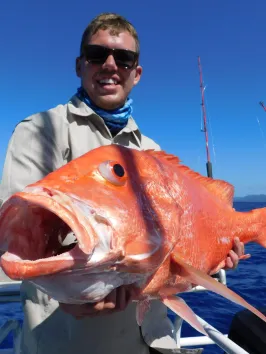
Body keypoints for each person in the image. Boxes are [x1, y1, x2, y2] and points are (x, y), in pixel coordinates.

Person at [0, 13, 248, 354]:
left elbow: (179, 252)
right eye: (97, 55)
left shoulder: (152, 151)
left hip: (156, 342)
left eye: (124, 58)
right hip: (68, 343)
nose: (110, 65)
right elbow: (17, 244)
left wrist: (216, 254)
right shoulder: (39, 131)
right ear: (79, 65)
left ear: (137, 73)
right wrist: (73, 298)